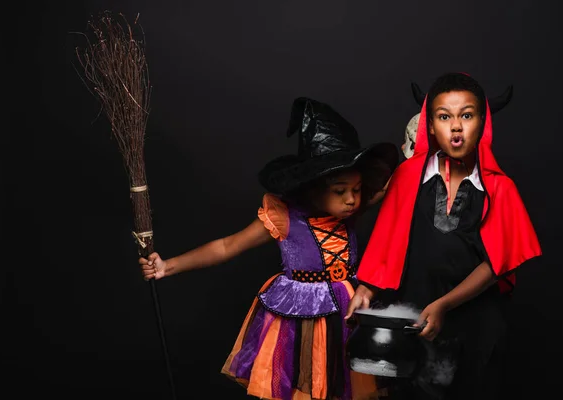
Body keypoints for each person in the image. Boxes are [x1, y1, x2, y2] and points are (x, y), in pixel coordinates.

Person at [140, 97, 399, 400]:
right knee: (304, 389)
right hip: (301, 323)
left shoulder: (349, 210)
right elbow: (227, 246)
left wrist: (423, 145)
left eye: (356, 190)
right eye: (340, 191)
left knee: (347, 388)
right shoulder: (284, 217)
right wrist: (168, 266)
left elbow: (393, 186)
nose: (352, 200)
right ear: (314, 186)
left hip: (346, 315)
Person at [345, 72, 541, 400]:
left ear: (482, 122)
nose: (455, 127)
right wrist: (366, 287)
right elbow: (388, 239)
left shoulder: (500, 188)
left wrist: (445, 305)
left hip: (475, 328)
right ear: (430, 125)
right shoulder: (407, 176)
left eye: (466, 115)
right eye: (444, 116)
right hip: (414, 322)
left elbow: (496, 264)